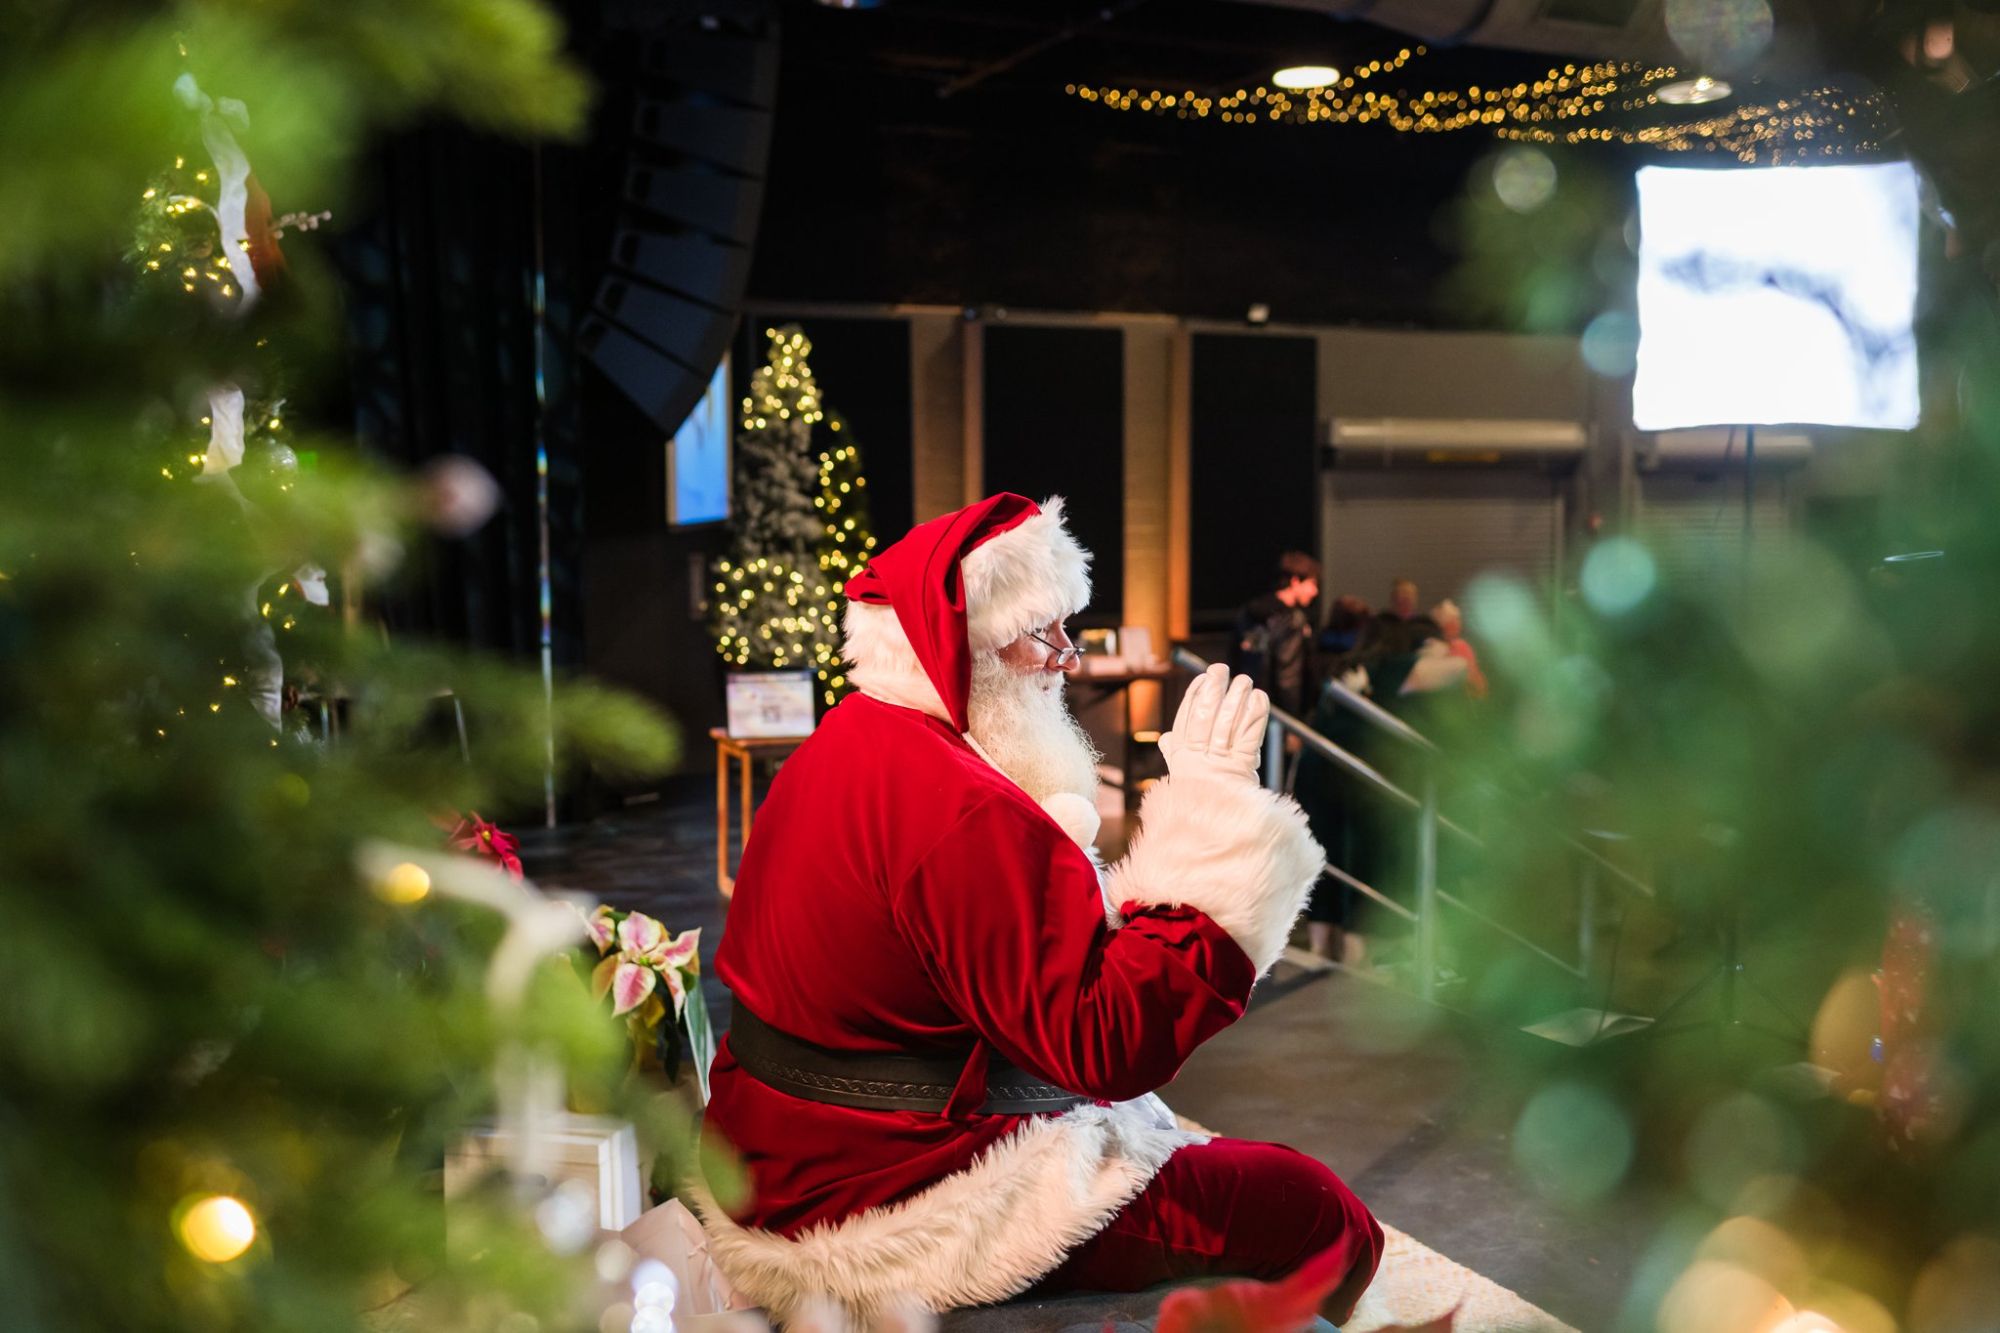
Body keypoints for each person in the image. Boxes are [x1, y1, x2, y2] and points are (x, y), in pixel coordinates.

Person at [695, 495, 1382, 1324]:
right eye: (1039, 632)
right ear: (961, 646)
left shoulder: (855, 737)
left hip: (782, 1150)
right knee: (1318, 1211)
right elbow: (1105, 1042)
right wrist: (1210, 821)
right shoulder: (961, 806)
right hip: (886, 1191)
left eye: (1066, 627)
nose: (1066, 658)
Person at [1230, 551, 1320, 720]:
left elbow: (1244, 659)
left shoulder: (1252, 613)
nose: (1315, 591)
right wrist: (1293, 721)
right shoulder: (1292, 621)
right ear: (1295, 581)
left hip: (1246, 707)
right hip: (1278, 715)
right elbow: (1288, 677)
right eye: (1312, 583)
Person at [1430, 598, 1487, 700]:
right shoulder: (1433, 648)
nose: (1458, 624)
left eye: (1458, 620)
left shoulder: (1463, 646)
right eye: (1454, 621)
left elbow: (1476, 674)